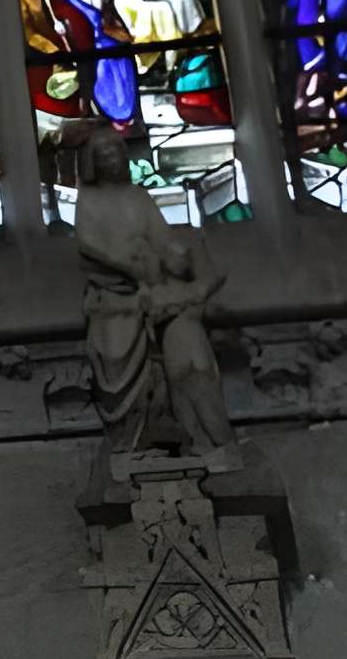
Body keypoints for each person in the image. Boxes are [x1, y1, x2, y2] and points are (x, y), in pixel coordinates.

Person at [75, 127, 237, 461]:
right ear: (93, 162)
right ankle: (131, 442)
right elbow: (88, 244)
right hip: (115, 297)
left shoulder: (137, 196)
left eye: (117, 152)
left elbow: (162, 238)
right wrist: (124, 266)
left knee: (188, 372)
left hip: (150, 294)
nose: (112, 159)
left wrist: (176, 254)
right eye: (104, 155)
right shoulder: (89, 199)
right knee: (119, 359)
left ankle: (190, 438)